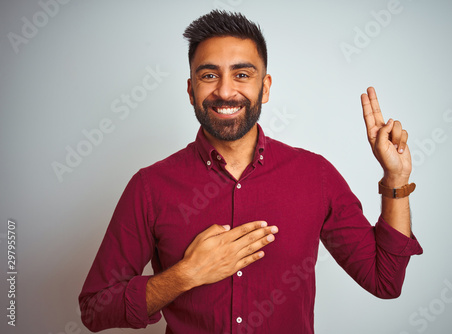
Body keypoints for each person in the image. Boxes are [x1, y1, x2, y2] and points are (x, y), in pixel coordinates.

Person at [79, 10, 422, 334]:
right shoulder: (149, 187)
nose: (226, 91)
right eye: (209, 75)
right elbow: (95, 309)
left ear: (265, 87)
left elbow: (384, 281)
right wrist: (186, 274)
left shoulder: (315, 175)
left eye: (242, 74)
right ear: (190, 90)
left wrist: (396, 180)